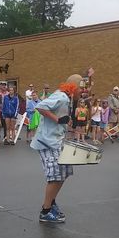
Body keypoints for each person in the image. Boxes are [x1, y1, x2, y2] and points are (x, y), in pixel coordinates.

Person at [30, 74, 82, 223]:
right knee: (55, 175)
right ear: (74, 87)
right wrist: (58, 119)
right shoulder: (62, 97)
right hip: (47, 142)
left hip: (56, 141)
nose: (82, 92)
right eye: (81, 89)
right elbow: (40, 107)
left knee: (63, 172)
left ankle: (51, 203)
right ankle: (45, 212)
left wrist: (66, 123)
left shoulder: (67, 98)